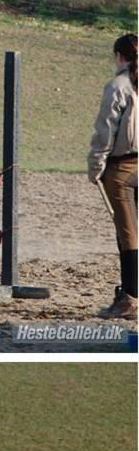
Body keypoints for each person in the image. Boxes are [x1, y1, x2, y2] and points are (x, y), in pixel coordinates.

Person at [88, 31, 137, 321]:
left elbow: (105, 132)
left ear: (119, 56)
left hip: (122, 169)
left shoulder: (117, 86)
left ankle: (130, 298)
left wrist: (95, 166)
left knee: (128, 235)